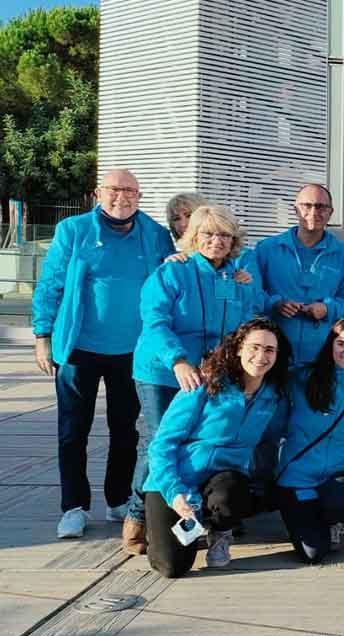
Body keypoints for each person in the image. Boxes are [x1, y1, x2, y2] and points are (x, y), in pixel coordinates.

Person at [32, 169, 177, 540]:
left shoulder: (156, 236)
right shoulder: (74, 231)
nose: (122, 197)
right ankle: (74, 507)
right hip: (78, 347)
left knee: (125, 430)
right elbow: (51, 283)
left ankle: (116, 498)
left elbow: (176, 277)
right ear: (99, 193)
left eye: (130, 191)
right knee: (72, 431)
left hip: (133, 352)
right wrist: (42, 334)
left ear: (139, 196)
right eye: (114, 190)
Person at [123, 205, 264, 554]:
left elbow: (248, 324)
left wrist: (247, 286)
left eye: (224, 236)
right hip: (166, 371)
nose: (216, 241)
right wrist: (179, 361)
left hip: (213, 374)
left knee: (208, 439)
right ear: (193, 237)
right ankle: (139, 515)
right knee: (162, 440)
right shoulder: (172, 273)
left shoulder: (235, 278)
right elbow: (155, 323)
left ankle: (205, 512)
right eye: (208, 234)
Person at [141, 318, 291, 578]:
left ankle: (220, 530)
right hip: (176, 482)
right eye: (254, 347)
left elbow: (288, 430)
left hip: (224, 482)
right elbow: (162, 445)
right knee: (171, 567)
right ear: (238, 349)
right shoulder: (206, 383)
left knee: (234, 494)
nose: (261, 356)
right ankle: (164, 523)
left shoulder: (273, 396)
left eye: (269, 350)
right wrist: (174, 492)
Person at [276, 318, 344, 563]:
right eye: (341, 344)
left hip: (338, 470)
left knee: (338, 504)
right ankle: (310, 517)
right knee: (313, 554)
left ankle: (332, 521)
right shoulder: (301, 378)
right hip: (299, 475)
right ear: (330, 345)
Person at [255, 184, 344, 367]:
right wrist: (275, 303)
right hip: (274, 354)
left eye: (321, 206)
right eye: (307, 205)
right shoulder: (266, 249)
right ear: (295, 210)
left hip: (321, 354)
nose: (313, 212)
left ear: (331, 212)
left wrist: (328, 309)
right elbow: (253, 292)